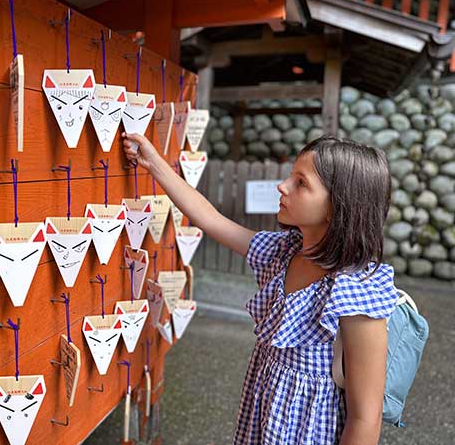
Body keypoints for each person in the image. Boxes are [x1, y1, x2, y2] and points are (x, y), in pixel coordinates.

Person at [122, 132, 399, 445]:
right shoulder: (282, 252)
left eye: (301, 183)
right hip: (261, 424)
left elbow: (365, 417)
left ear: (338, 206)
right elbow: (210, 219)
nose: (283, 186)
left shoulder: (356, 291)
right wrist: (154, 163)